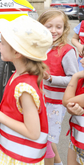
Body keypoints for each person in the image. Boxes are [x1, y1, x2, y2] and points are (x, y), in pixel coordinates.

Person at [0, 15, 52, 165]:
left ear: (17, 53)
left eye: (2, 43)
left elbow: (33, 132)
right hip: (9, 150)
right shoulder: (19, 73)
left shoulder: (24, 88)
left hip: (16, 157)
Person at [38, 9, 78, 165]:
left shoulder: (67, 51)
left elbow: (72, 79)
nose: (54, 31)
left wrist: (51, 78)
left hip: (56, 103)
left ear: (65, 28)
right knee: (46, 138)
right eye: (49, 26)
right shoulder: (41, 47)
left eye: (58, 27)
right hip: (41, 100)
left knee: (48, 140)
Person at [63, 58, 84, 165]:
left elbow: (66, 101)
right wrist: (72, 109)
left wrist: (75, 76)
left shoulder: (78, 78)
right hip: (76, 138)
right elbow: (68, 104)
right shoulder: (81, 80)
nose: (81, 60)